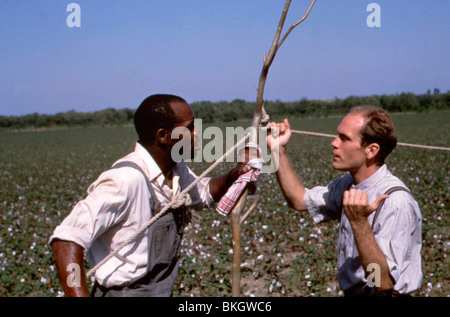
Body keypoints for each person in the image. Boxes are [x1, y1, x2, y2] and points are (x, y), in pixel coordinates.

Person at [49, 94, 252, 297]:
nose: (197, 132)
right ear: (163, 136)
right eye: (189, 127)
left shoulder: (176, 170)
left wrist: (235, 174)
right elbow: (65, 242)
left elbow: (204, 193)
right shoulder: (126, 180)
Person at [266, 105, 422, 296]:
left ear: (371, 150)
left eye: (344, 138)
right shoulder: (348, 185)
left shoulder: (395, 201)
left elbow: (382, 282)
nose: (334, 143)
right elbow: (299, 200)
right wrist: (278, 150)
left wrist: (359, 222)